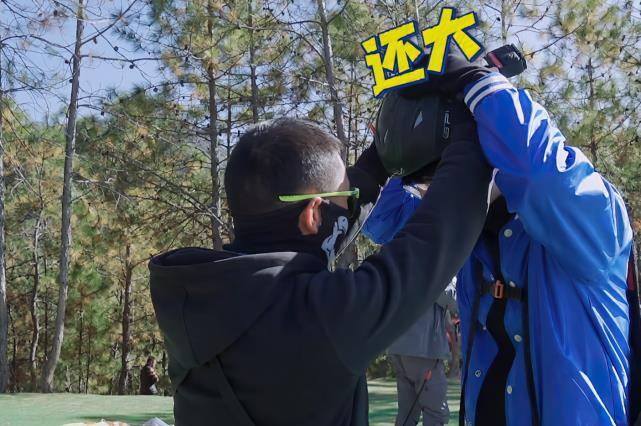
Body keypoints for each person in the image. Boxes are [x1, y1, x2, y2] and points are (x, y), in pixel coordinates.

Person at [149, 116, 492, 425]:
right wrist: (469, 127)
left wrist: (381, 152)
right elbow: (440, 233)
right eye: (346, 197)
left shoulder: (192, 295)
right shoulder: (326, 314)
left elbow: (332, 221)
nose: (350, 206)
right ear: (314, 214)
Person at [366, 55, 633, 425]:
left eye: (438, 173)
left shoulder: (593, 218)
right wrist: (383, 158)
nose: (431, 192)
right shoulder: (470, 230)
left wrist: (480, 83)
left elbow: (542, 175)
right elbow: (384, 222)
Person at [363, 178, 457, 426]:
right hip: (421, 348)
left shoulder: (402, 253)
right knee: (436, 411)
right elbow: (445, 295)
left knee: (407, 412)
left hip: (400, 345)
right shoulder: (426, 259)